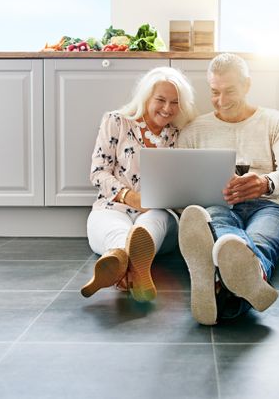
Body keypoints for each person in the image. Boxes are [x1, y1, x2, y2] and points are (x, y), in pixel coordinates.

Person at [177, 53, 279, 325]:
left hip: (268, 205)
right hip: (218, 204)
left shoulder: (276, 121)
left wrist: (265, 182)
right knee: (225, 231)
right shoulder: (193, 130)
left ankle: (216, 277)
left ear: (247, 85)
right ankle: (248, 274)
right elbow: (180, 185)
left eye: (229, 91)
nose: (221, 101)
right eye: (214, 92)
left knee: (260, 238)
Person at [82, 66, 197, 302]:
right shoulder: (116, 121)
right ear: (146, 97)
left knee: (151, 223)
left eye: (175, 102)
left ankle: (122, 266)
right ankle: (131, 265)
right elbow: (98, 172)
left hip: (159, 212)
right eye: (161, 100)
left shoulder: (180, 134)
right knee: (116, 231)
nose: (167, 109)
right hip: (113, 207)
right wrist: (130, 197)